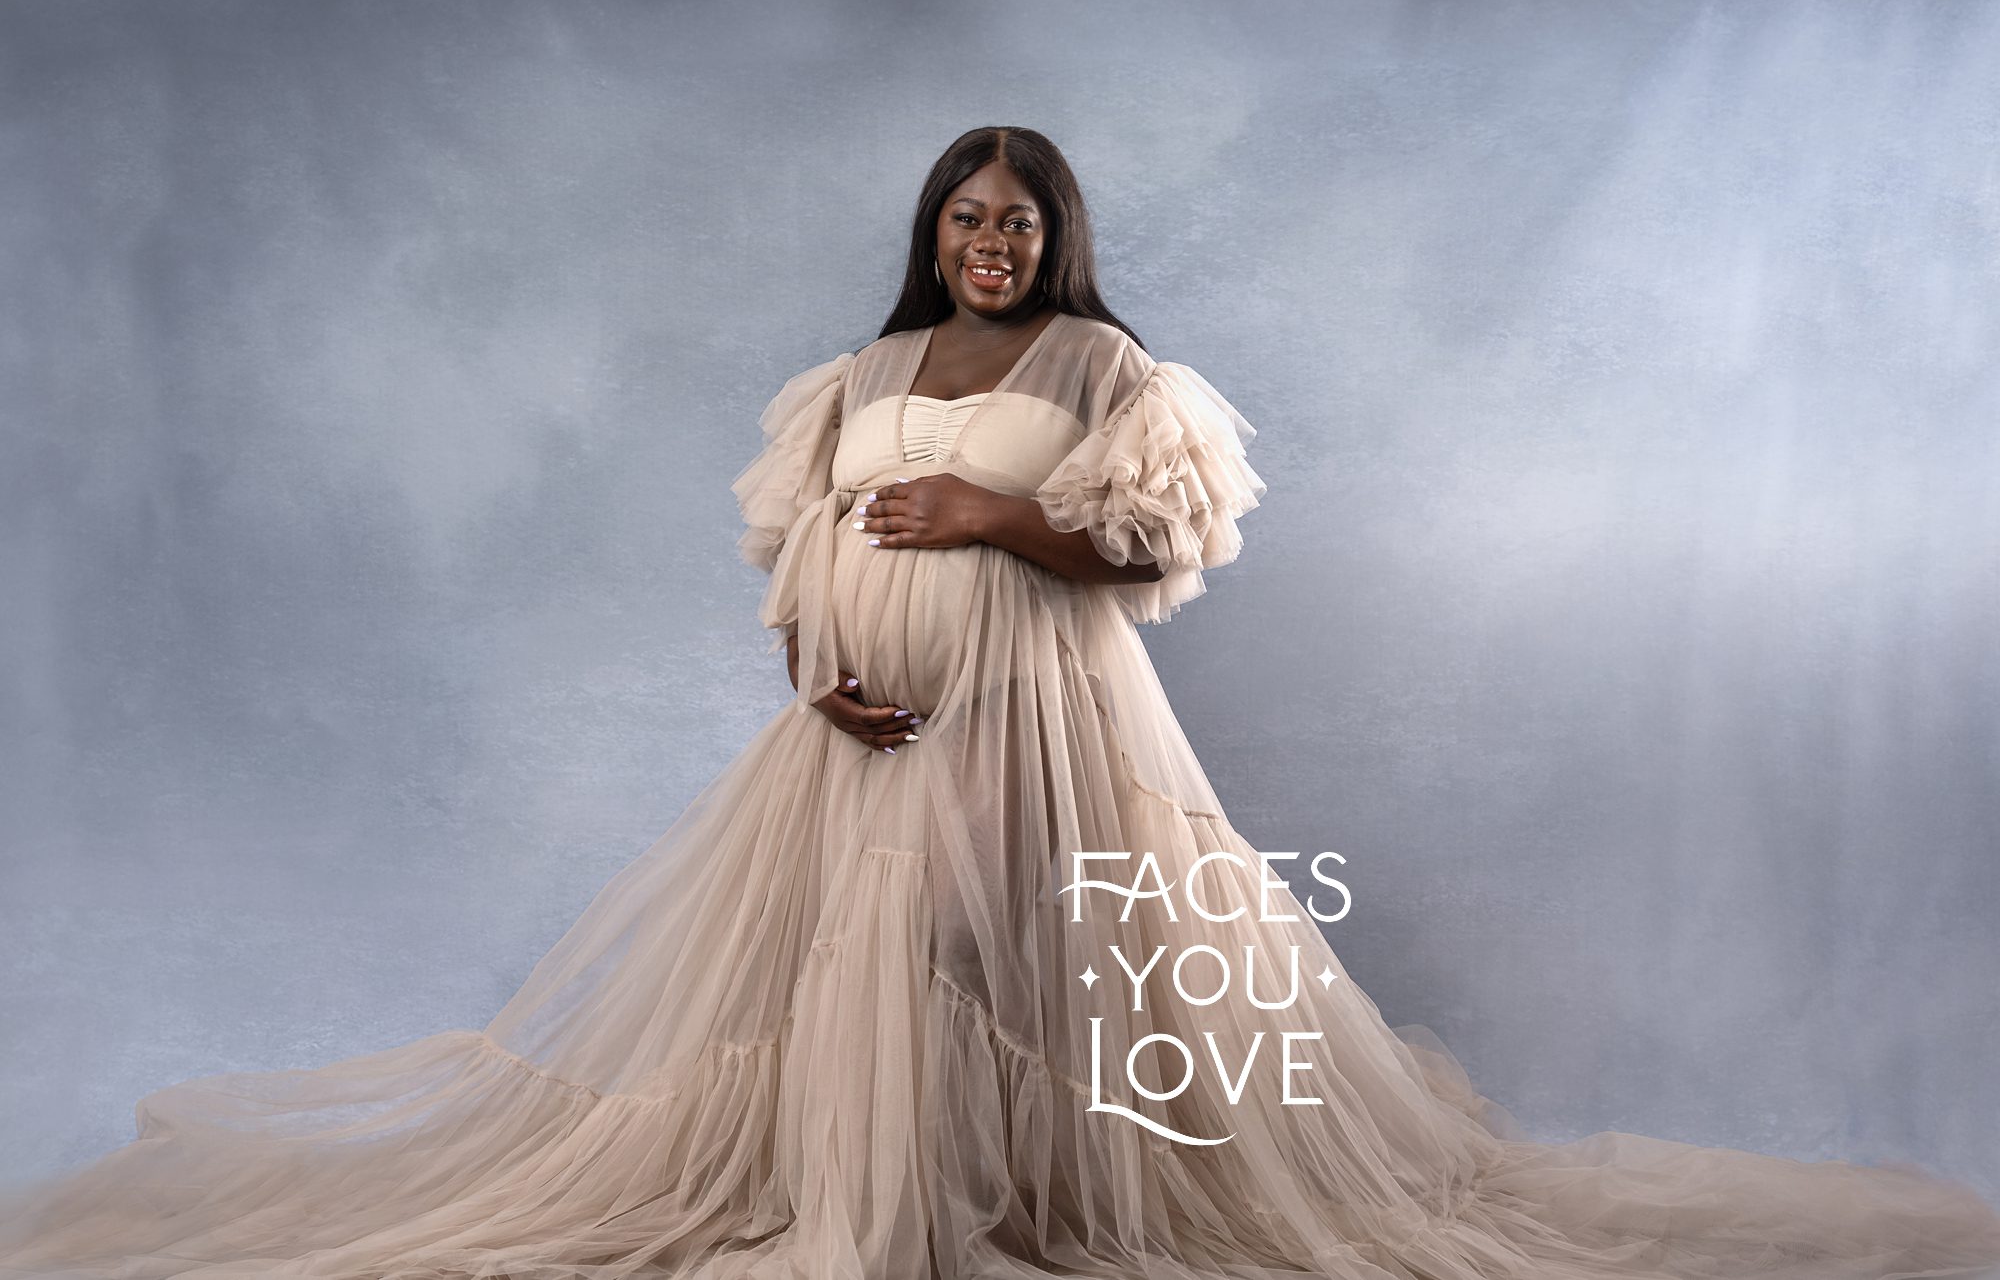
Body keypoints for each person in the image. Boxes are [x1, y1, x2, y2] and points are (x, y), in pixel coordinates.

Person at [3, 125, 1998, 1280]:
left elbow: (1149, 560)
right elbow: (796, 560)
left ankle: (952, 1208)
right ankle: (897, 1204)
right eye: (964, 217)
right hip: (861, 730)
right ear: (927, 235)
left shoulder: (1110, 372)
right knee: (862, 961)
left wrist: (991, 514)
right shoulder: (853, 376)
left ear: (1054, 236)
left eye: (1016, 218)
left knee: (982, 948)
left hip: (1046, 724)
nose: (988, 240)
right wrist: (827, 660)